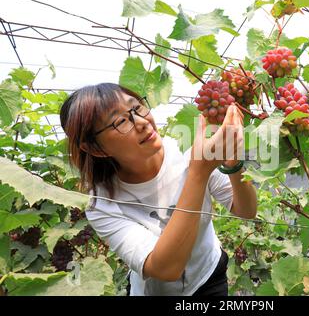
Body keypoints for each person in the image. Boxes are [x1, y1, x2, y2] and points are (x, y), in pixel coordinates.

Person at [59, 83, 257, 296]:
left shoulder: (185, 149)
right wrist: (199, 172)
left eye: (137, 108)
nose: (143, 122)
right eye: (121, 121)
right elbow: (166, 268)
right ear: (95, 148)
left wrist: (233, 164)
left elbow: (245, 210)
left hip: (209, 274)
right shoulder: (101, 204)